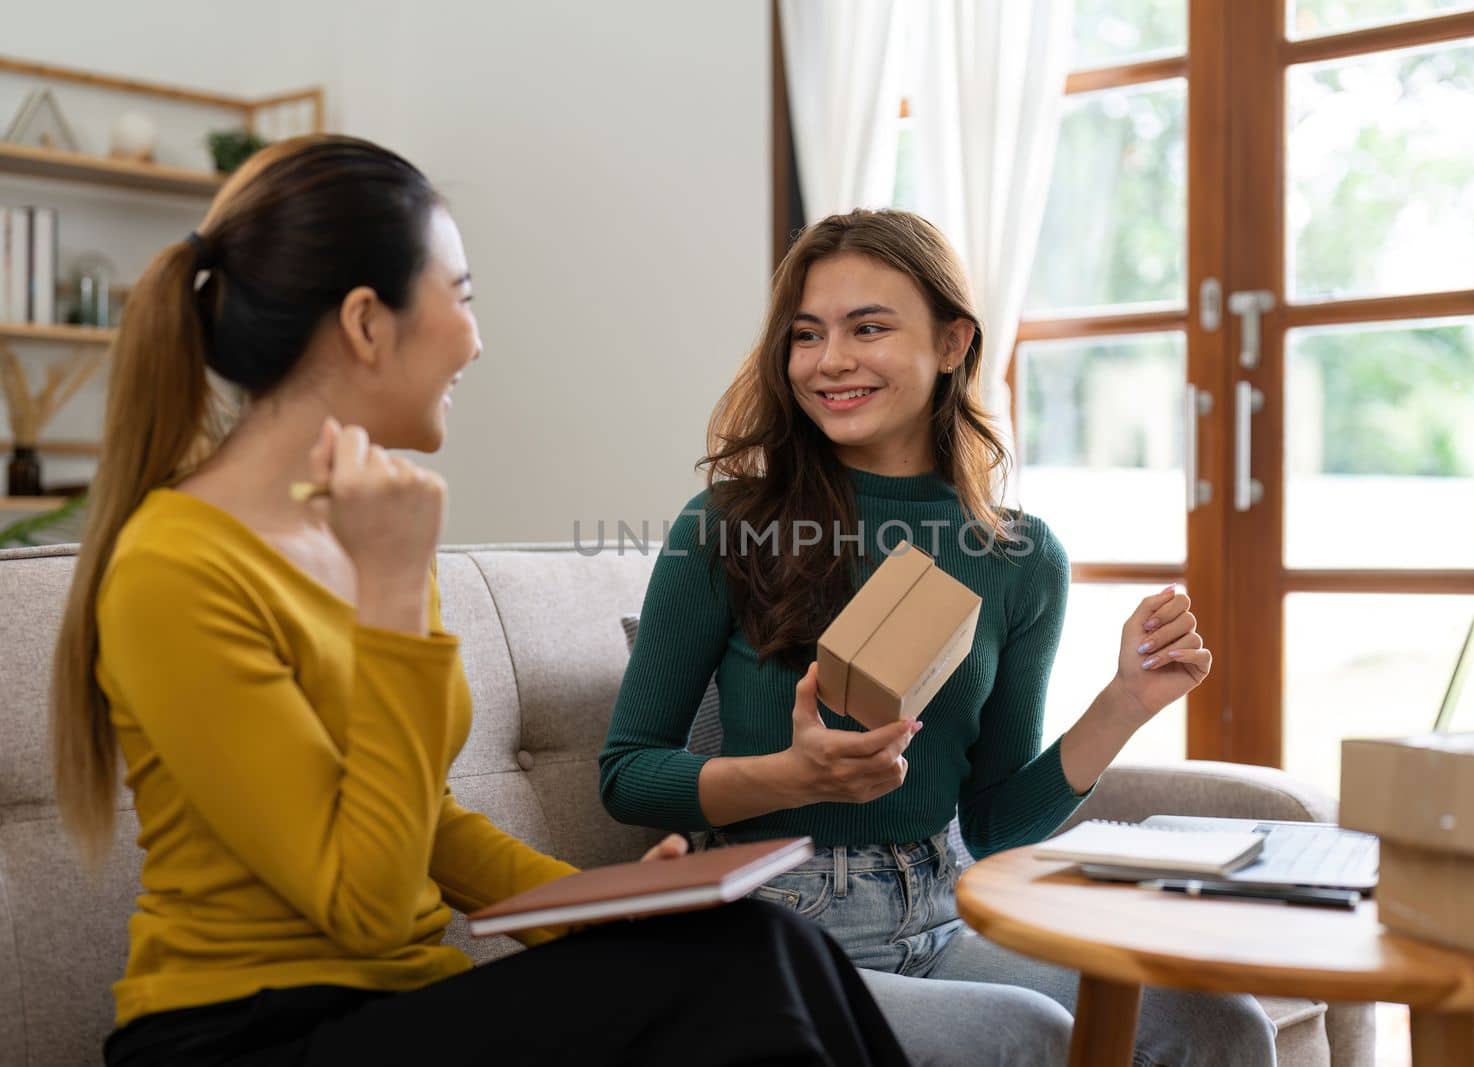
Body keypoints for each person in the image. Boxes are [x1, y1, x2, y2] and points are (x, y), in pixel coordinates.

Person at [51, 134, 909, 1067]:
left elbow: (419, 817)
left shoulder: (372, 525)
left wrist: (599, 908)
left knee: (773, 941)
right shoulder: (174, 568)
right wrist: (387, 595)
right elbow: (368, 905)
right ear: (367, 323)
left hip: (398, 1009)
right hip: (246, 1033)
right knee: (747, 971)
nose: (476, 337)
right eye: (459, 298)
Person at [601, 209, 1279, 1065]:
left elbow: (993, 821)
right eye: (805, 334)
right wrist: (789, 775)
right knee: (1024, 1039)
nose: (829, 360)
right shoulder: (727, 525)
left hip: (945, 911)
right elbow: (626, 774)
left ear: (954, 342)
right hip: (777, 925)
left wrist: (1124, 703)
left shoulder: (1020, 557)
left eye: (868, 327)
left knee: (1220, 1020)